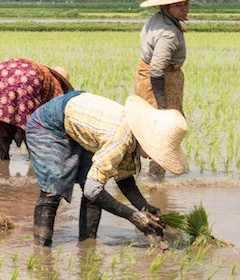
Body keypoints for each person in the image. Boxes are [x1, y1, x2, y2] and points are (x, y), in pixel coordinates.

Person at [25, 91, 184, 247]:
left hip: (79, 124)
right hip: (48, 123)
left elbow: (124, 179)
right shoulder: (119, 139)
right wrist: (134, 217)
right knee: (53, 190)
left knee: (93, 184)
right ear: (146, 140)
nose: (151, 158)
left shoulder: (131, 136)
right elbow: (92, 190)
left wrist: (145, 208)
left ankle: (86, 246)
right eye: (154, 152)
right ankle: (42, 251)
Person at [134, 0, 206, 175]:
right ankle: (156, 183)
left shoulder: (157, 19)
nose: (184, 8)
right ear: (166, 6)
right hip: (160, 81)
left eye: (185, 3)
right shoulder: (168, 34)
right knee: (163, 131)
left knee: (144, 128)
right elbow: (157, 69)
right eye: (178, 5)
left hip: (149, 76)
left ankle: (131, 176)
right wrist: (163, 107)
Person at [0, 59, 72, 161]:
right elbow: (55, 114)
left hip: (0, 72)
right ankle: (35, 163)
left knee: (1, 123)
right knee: (32, 128)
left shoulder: (30, 68)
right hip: (27, 80)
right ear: (60, 80)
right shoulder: (54, 82)